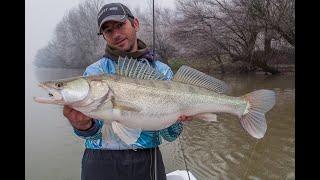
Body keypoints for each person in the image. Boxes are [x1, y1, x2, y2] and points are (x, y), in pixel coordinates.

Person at [63, 3, 191, 180]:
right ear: (104, 36)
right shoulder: (94, 73)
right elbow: (96, 131)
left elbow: (171, 135)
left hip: (148, 159)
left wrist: (176, 120)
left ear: (135, 24)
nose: (115, 34)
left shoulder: (162, 72)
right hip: (100, 161)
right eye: (108, 30)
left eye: (120, 25)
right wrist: (84, 125)